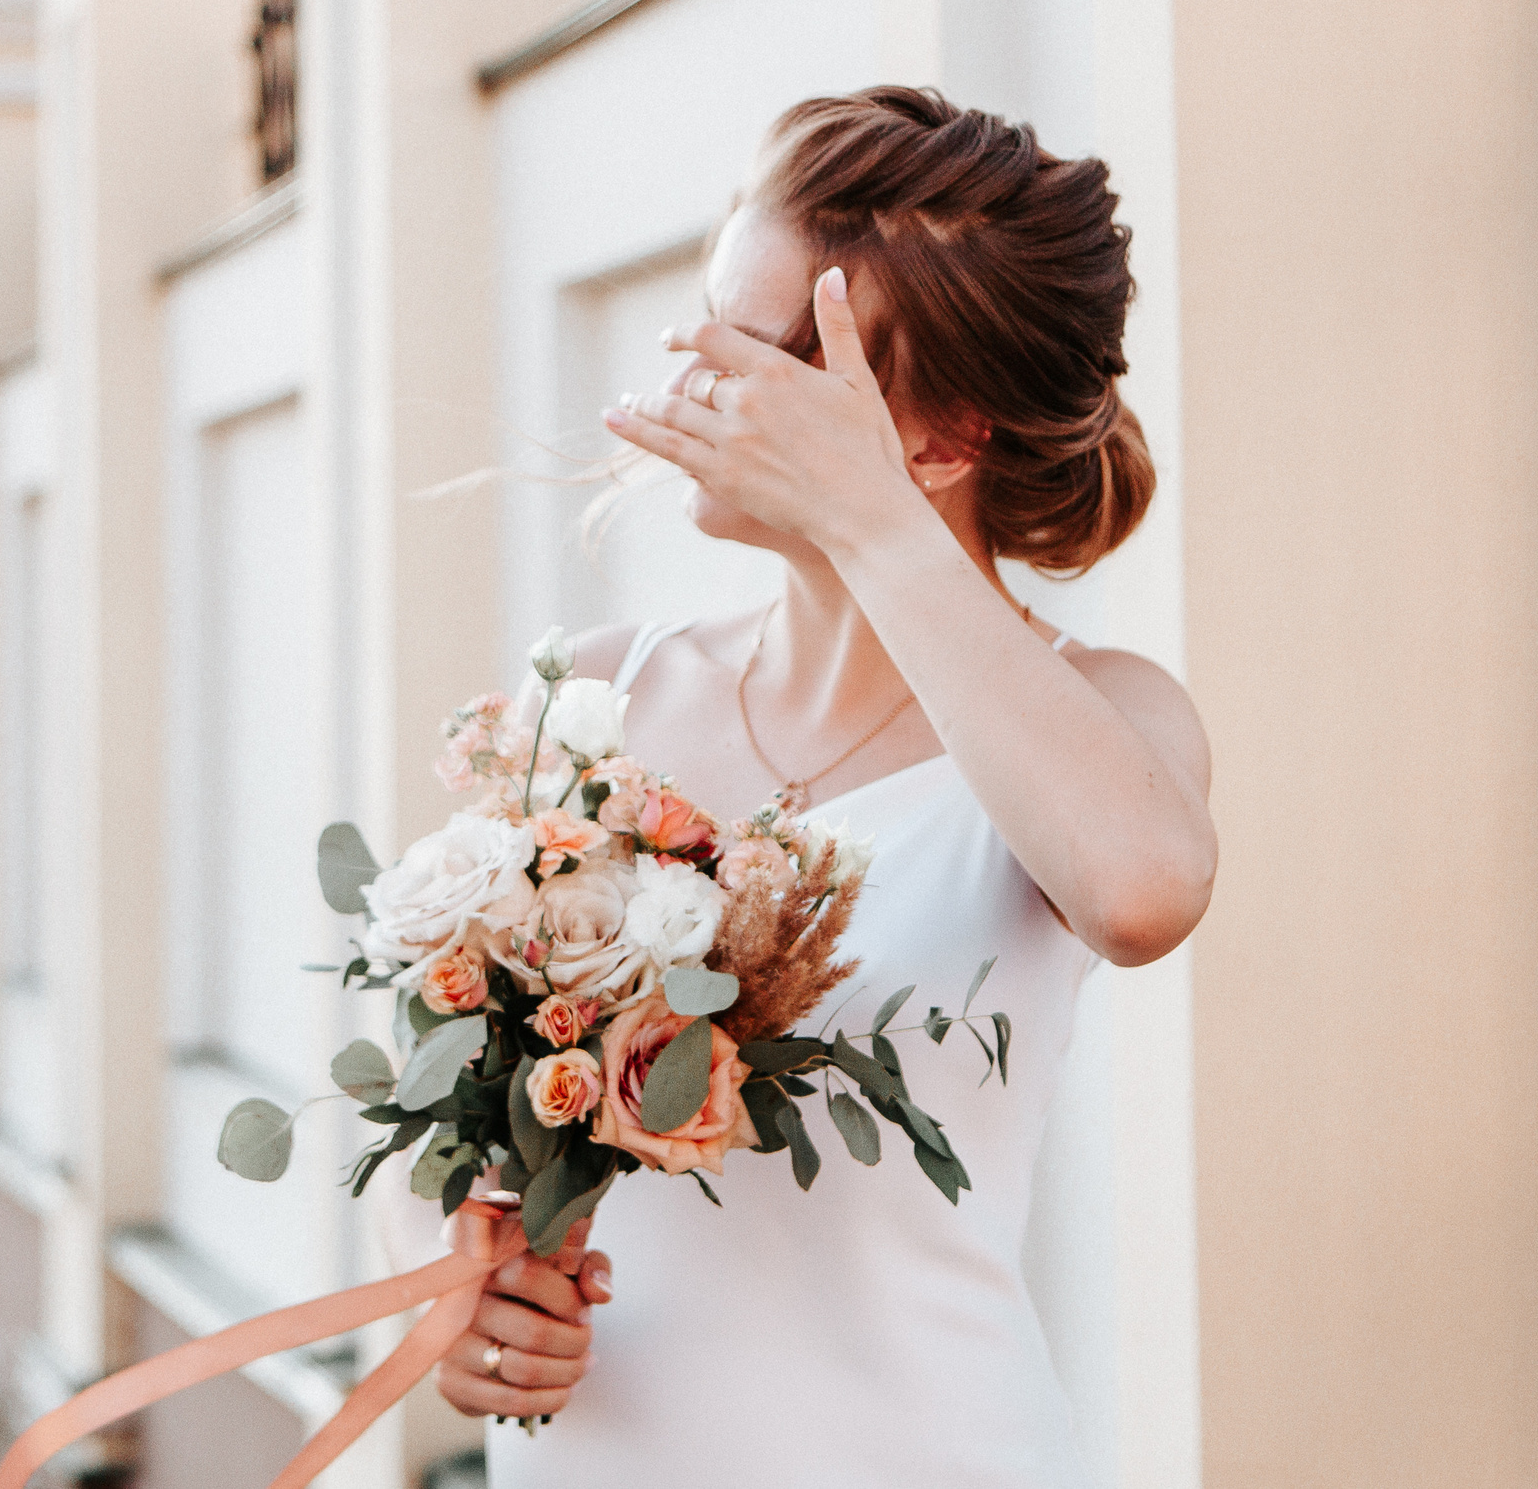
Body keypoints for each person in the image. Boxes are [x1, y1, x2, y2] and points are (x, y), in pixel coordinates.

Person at [435, 87, 1217, 1484]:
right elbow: (455, 1107)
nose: (699, 358)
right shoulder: (596, 700)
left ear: (946, 436)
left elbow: (1143, 894)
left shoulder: (1103, 715)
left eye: (771, 343)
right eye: (709, 310)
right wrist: (469, 1296)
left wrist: (870, 517)